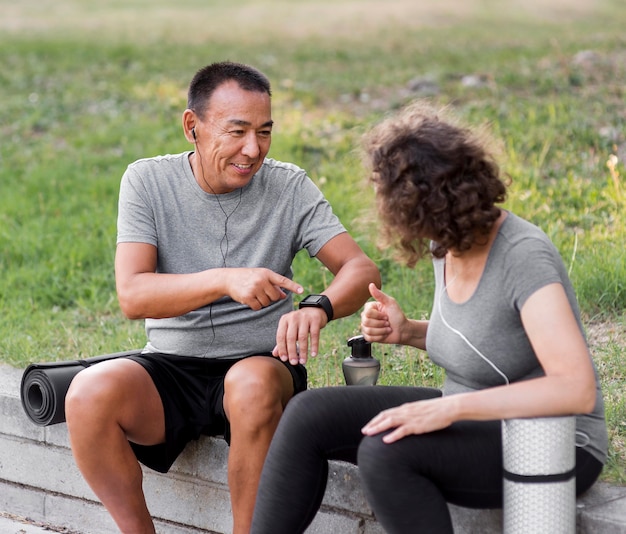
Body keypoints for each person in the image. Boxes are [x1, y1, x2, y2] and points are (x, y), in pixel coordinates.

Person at [251, 102, 608, 533]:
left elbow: (575, 388)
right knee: (310, 414)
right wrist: (409, 333)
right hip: (474, 417)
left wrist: (449, 409)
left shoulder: (523, 256)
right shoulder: (448, 243)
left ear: (426, 203)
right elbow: (488, 341)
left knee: (387, 451)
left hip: (553, 440)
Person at [64, 61, 380, 534]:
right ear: (192, 126)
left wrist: (319, 305)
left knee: (249, 386)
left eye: (264, 132)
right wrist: (224, 280)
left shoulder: (289, 186)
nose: (252, 150)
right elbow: (133, 294)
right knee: (87, 393)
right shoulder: (147, 182)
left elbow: (361, 269)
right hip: (171, 364)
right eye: (237, 132)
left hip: (260, 364)